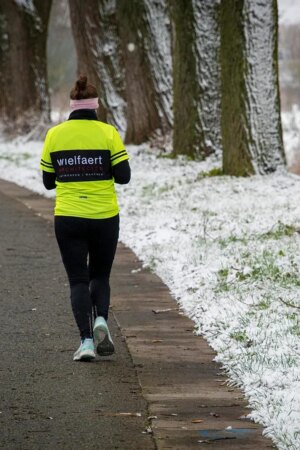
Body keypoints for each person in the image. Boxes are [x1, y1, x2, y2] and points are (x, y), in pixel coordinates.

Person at [40, 75, 130, 361]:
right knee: (100, 275)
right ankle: (101, 318)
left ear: (72, 105)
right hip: (104, 216)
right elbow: (124, 177)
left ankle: (86, 341)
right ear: (95, 106)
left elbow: (47, 182)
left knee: (78, 280)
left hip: (68, 217)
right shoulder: (108, 133)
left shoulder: (54, 135)